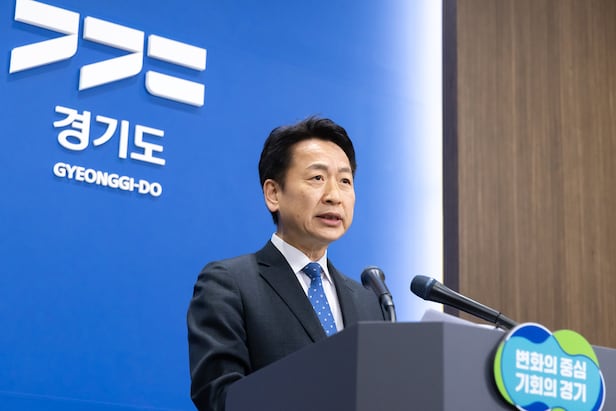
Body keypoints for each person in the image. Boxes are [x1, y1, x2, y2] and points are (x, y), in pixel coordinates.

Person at [186, 116, 385, 411]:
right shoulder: (230, 283)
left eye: (345, 181)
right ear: (273, 193)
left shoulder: (369, 302)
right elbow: (221, 396)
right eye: (317, 178)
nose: (334, 196)